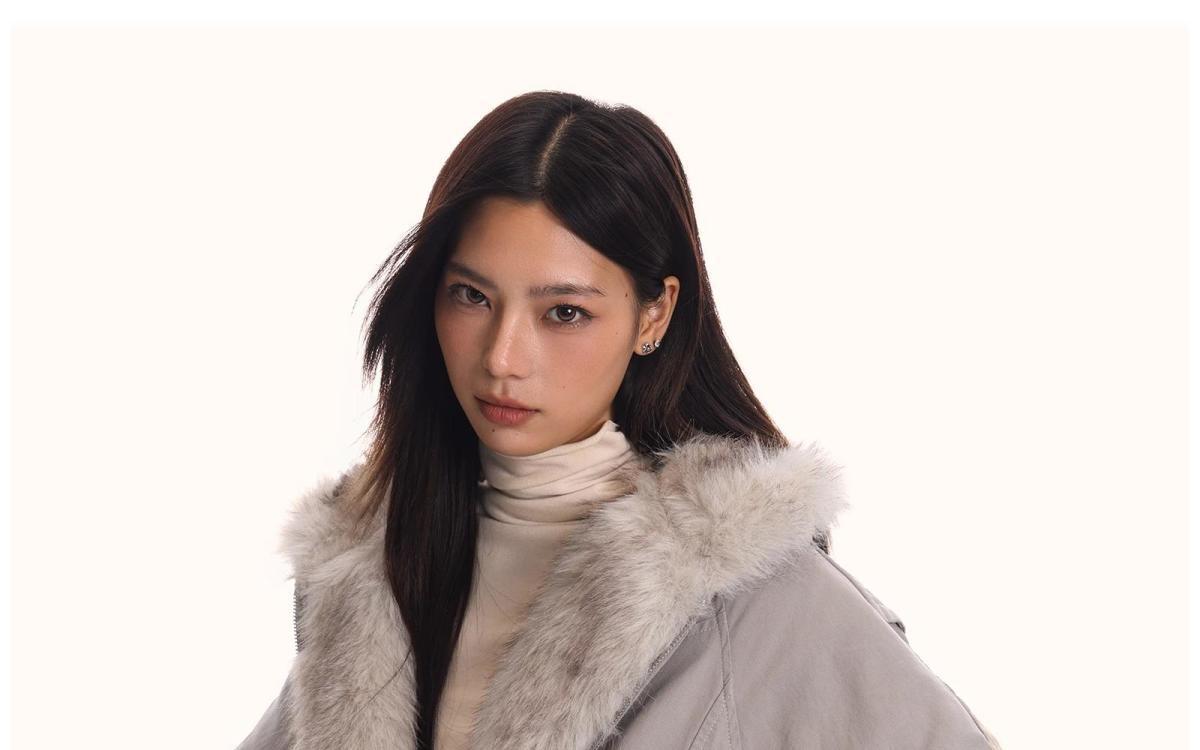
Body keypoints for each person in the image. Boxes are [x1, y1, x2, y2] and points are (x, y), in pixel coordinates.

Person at [235, 90, 1002, 750]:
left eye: (563, 312)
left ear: (653, 314)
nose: (503, 357)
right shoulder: (369, 574)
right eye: (472, 296)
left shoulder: (747, 595)